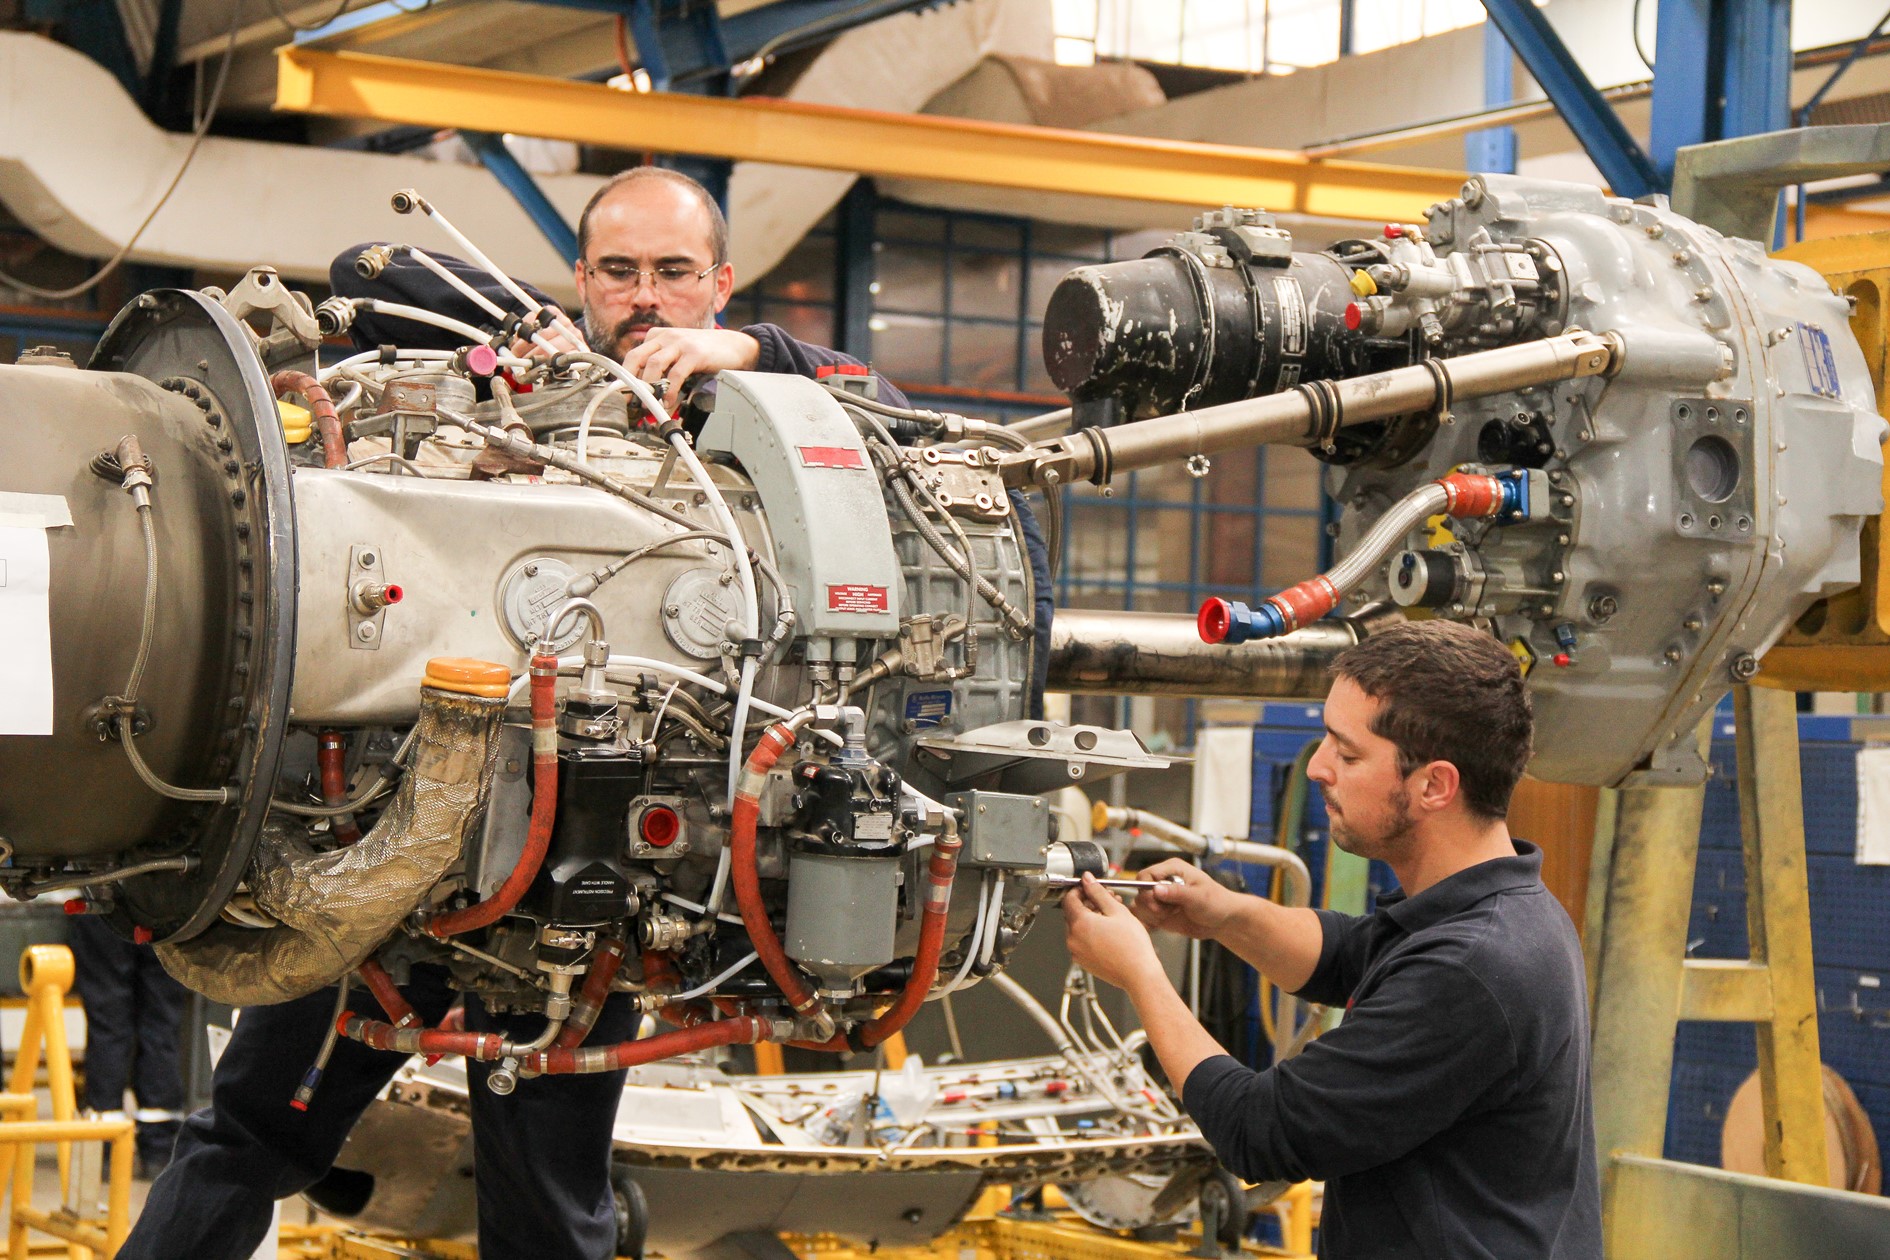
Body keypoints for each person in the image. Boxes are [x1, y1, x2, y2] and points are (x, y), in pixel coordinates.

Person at [125, 166, 1049, 1260]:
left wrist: (750, 354)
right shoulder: (524, 381)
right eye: (618, 271)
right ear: (580, 279)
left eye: (673, 272)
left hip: (570, 899)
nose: (645, 297)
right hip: (370, 854)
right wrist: (523, 340)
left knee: (549, 1215)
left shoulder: (753, 408)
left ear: (721, 283)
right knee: (247, 1137)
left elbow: (909, 427)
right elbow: (366, 275)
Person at [1062, 619, 1602, 1260]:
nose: (1318, 768)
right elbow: (1350, 953)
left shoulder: (1476, 965)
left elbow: (1260, 1131)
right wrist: (1221, 914)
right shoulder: (1497, 908)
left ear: (1435, 785)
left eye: (1347, 755)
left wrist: (1141, 973)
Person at [67, 914, 187, 1178]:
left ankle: (104, 1150)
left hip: (103, 898)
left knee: (108, 1026)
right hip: (168, 904)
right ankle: (159, 1152)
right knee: (161, 1026)